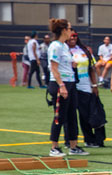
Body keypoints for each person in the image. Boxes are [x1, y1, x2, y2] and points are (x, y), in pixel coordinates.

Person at [45, 18, 87, 157]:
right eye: (69, 28)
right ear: (64, 30)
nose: (71, 31)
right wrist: (61, 86)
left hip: (70, 82)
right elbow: (54, 68)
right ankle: (54, 147)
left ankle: (73, 146)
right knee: (60, 116)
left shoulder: (64, 46)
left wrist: (72, 66)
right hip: (60, 84)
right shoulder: (55, 46)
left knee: (71, 115)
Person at [69, 33, 107, 148]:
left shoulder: (84, 50)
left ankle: (91, 139)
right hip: (71, 85)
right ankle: (69, 140)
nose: (72, 38)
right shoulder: (63, 50)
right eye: (70, 36)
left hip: (85, 85)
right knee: (69, 115)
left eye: (75, 35)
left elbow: (91, 68)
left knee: (87, 114)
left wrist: (94, 85)